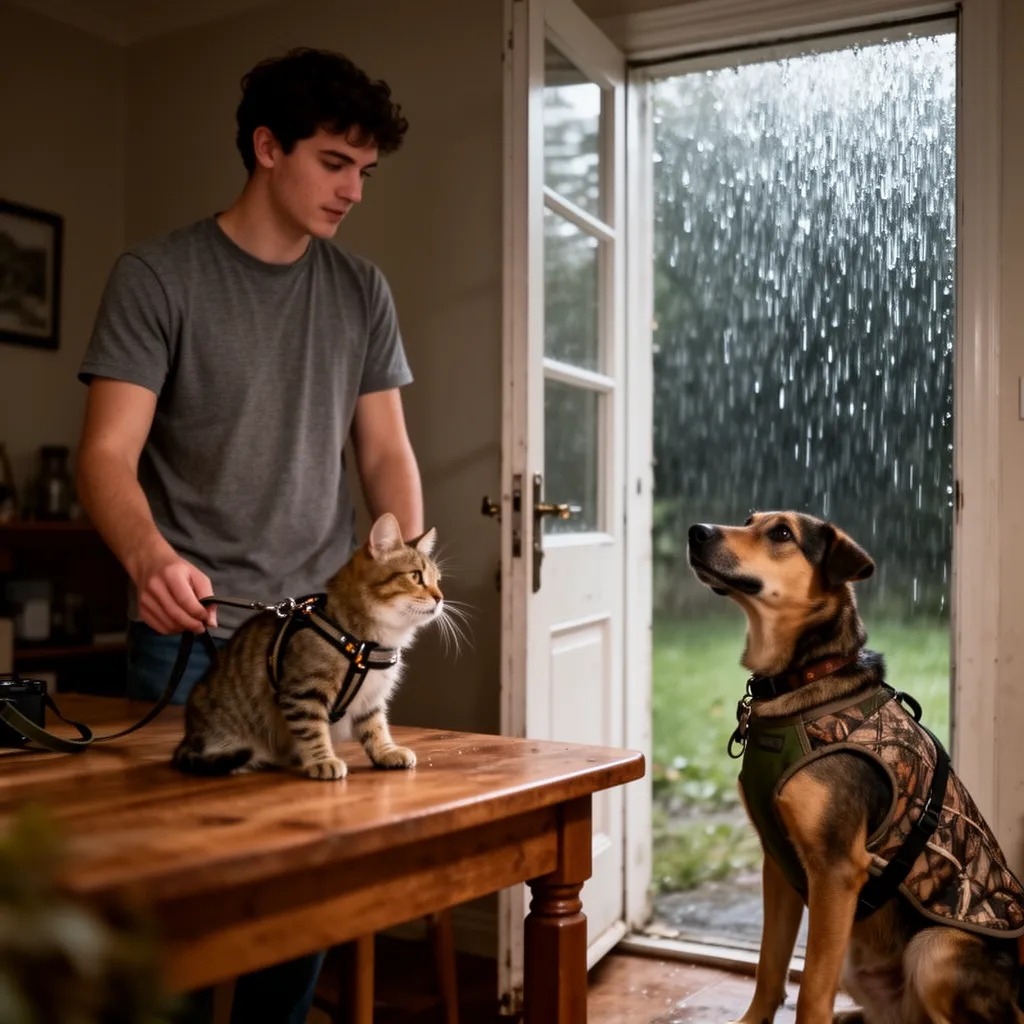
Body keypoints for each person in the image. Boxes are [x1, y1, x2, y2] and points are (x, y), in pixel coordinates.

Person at [75, 47, 422, 1024]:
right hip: (188, 638)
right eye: (332, 163)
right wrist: (148, 557)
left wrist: (398, 572)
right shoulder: (158, 275)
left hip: (321, 641)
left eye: (365, 170)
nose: (353, 190)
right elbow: (105, 454)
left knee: (297, 911)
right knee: (178, 925)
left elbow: (387, 453)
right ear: (267, 148)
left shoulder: (362, 292)